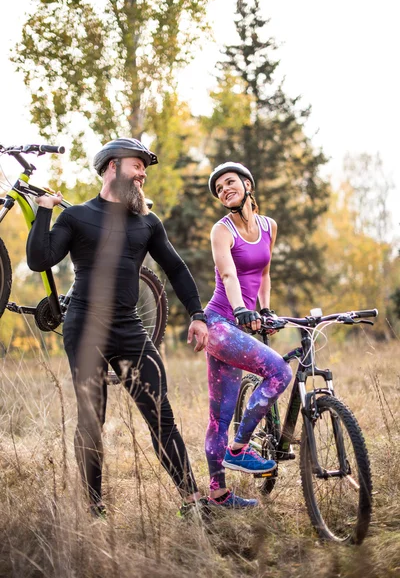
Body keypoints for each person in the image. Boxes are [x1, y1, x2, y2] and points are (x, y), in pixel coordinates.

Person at [26, 138, 209, 517]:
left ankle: (193, 500)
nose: (143, 173)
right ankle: (94, 506)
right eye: (137, 165)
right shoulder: (76, 216)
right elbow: (39, 258)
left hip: (129, 328)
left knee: (162, 415)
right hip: (84, 326)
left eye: (145, 168)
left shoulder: (147, 221)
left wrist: (197, 314)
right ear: (112, 166)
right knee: (92, 419)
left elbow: (176, 268)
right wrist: (44, 212)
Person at [204, 161, 292, 508]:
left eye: (230, 183)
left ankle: (218, 495)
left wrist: (265, 308)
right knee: (279, 373)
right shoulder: (221, 231)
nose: (225, 189)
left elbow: (264, 272)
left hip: (243, 320)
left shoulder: (269, 226)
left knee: (219, 416)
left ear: (247, 185)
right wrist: (242, 308)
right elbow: (229, 275)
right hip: (220, 323)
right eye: (219, 189)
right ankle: (239, 448)